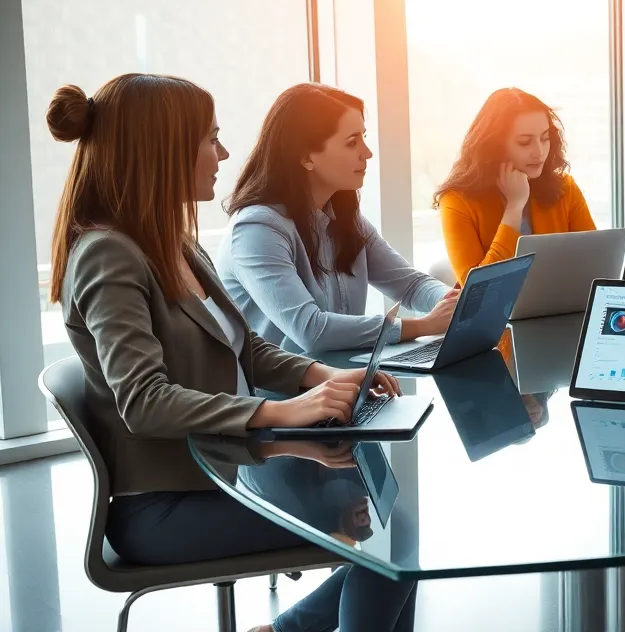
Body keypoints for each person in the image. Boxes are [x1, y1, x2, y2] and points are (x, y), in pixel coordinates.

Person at [48, 74, 419, 631]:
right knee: (393, 537)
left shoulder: (173, 242)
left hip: (225, 470)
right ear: (164, 150)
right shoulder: (109, 255)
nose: (223, 154)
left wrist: (316, 375)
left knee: (395, 529)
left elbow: (246, 348)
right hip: (163, 506)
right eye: (210, 139)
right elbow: (144, 401)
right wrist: (280, 414)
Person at [217, 83, 457, 353]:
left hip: (343, 381)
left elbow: (411, 285)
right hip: (284, 394)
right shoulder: (256, 230)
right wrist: (425, 325)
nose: (367, 153)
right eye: (352, 142)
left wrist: (454, 305)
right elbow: (312, 331)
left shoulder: (345, 218)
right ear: (306, 156)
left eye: (364, 138)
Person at [434, 87, 596, 283]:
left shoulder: (565, 187)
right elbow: (480, 289)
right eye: (524, 142)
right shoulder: (456, 201)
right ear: (494, 146)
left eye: (545, 138)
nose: (539, 152)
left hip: (562, 309)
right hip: (494, 314)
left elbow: (595, 263)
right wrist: (514, 207)